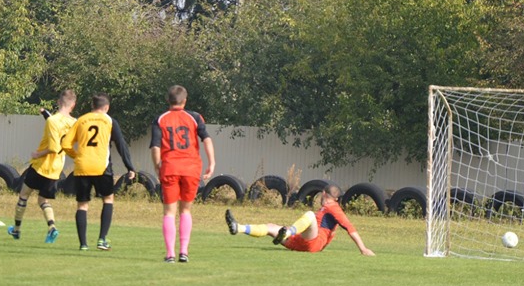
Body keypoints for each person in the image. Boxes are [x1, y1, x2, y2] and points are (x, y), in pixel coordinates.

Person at [61, 93, 136, 251]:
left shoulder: (81, 120)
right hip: (102, 167)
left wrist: (77, 156)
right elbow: (121, 146)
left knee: (82, 205)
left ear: (92, 107)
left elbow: (66, 144)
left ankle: (83, 244)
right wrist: (130, 167)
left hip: (82, 167)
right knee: (108, 199)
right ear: (106, 107)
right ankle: (102, 239)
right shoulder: (109, 121)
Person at [150, 85, 215, 264]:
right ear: (184, 101)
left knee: (169, 212)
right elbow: (206, 139)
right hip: (191, 168)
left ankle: (170, 253)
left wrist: (157, 166)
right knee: (185, 209)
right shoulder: (194, 117)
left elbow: (155, 147)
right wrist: (212, 162)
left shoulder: (160, 119)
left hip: (170, 167)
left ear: (167, 100)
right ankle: (184, 252)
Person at [225, 184, 375, 256]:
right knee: (271, 227)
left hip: (314, 243)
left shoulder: (334, 207)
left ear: (323, 194)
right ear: (336, 197)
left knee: (309, 215)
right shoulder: (327, 207)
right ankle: (238, 227)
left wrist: (363, 249)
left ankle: (288, 232)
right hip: (301, 243)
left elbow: (350, 228)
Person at [7, 89, 77, 244]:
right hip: (57, 168)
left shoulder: (53, 121)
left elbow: (53, 146)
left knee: (24, 195)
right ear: (73, 105)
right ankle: (52, 227)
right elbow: (59, 132)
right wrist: (45, 114)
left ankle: (16, 230)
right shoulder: (74, 123)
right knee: (43, 200)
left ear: (59, 102)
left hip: (41, 165)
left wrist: (37, 154)